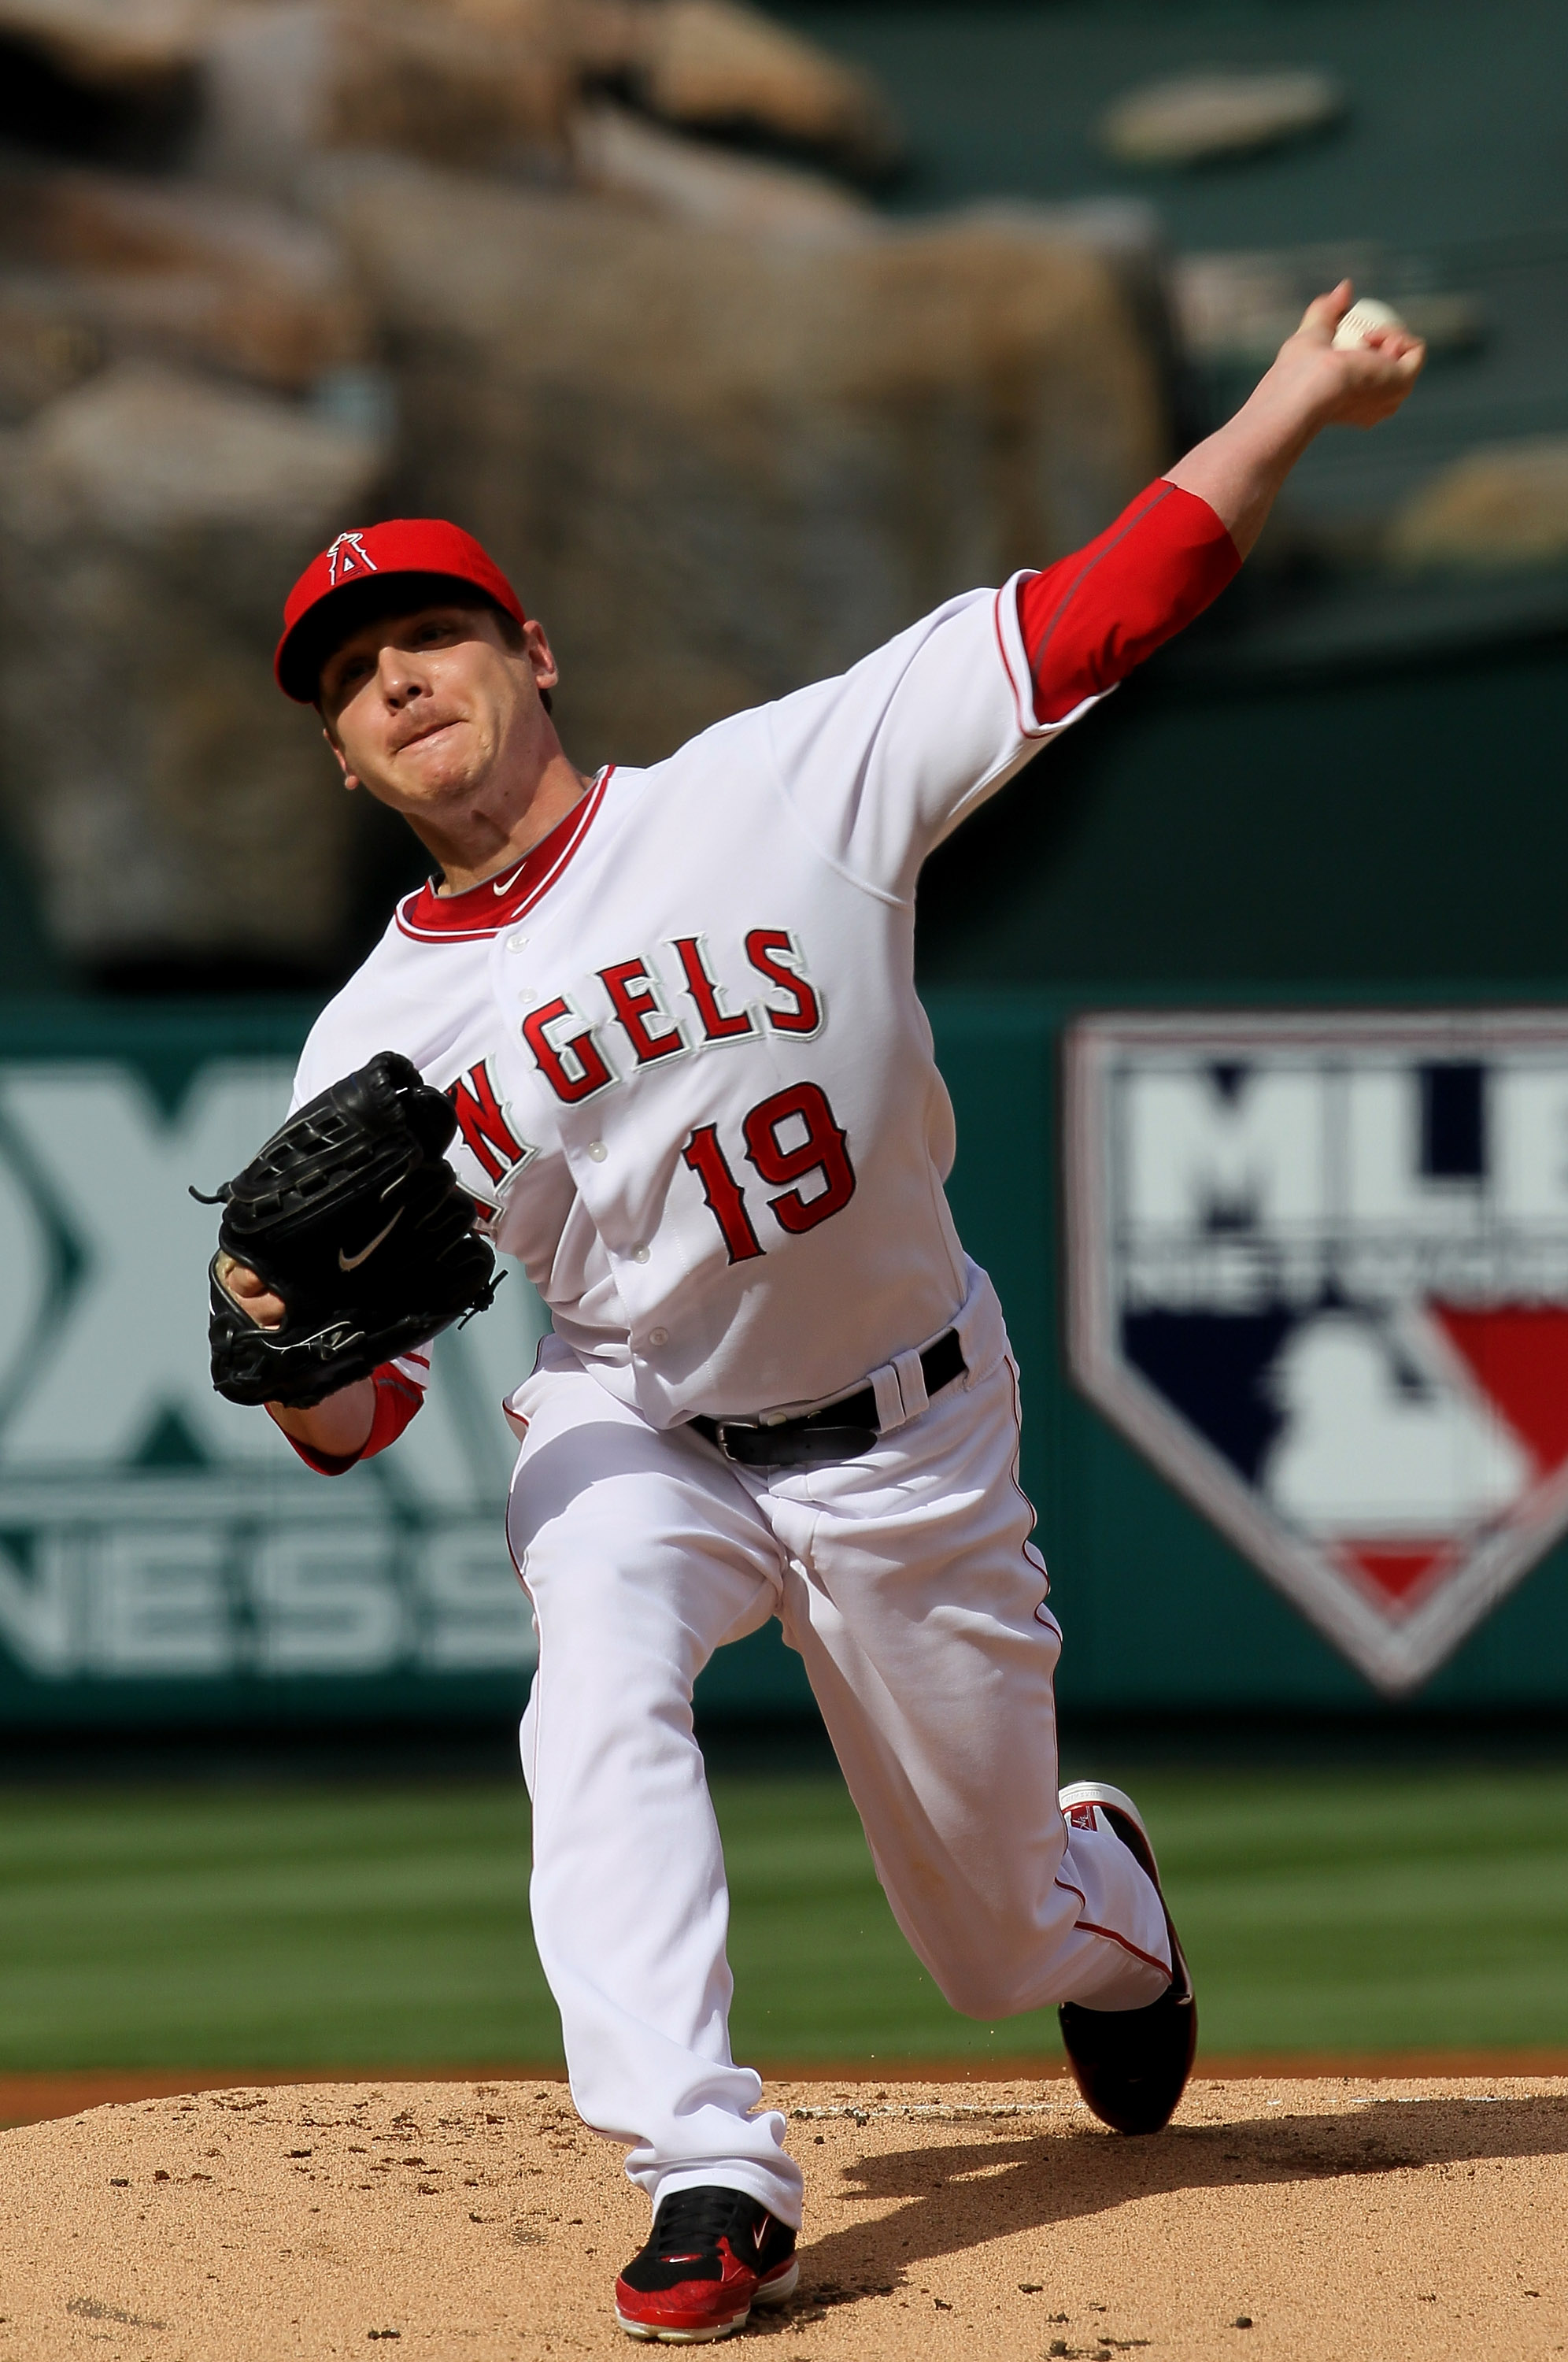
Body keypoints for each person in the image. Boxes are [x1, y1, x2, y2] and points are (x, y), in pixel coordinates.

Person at [225, 284, 1422, 2343]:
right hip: (639, 1432)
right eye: (351, 673)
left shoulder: (783, 793)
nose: (398, 675)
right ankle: (702, 2159)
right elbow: (370, 1407)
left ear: (533, 655)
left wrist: (1296, 399)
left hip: (910, 1438)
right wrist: (282, 1346)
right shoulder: (369, 1045)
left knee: (993, 1946)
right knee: (592, 1684)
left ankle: (1106, 1898)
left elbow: (1099, 613)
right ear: (340, 759)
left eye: (431, 631)